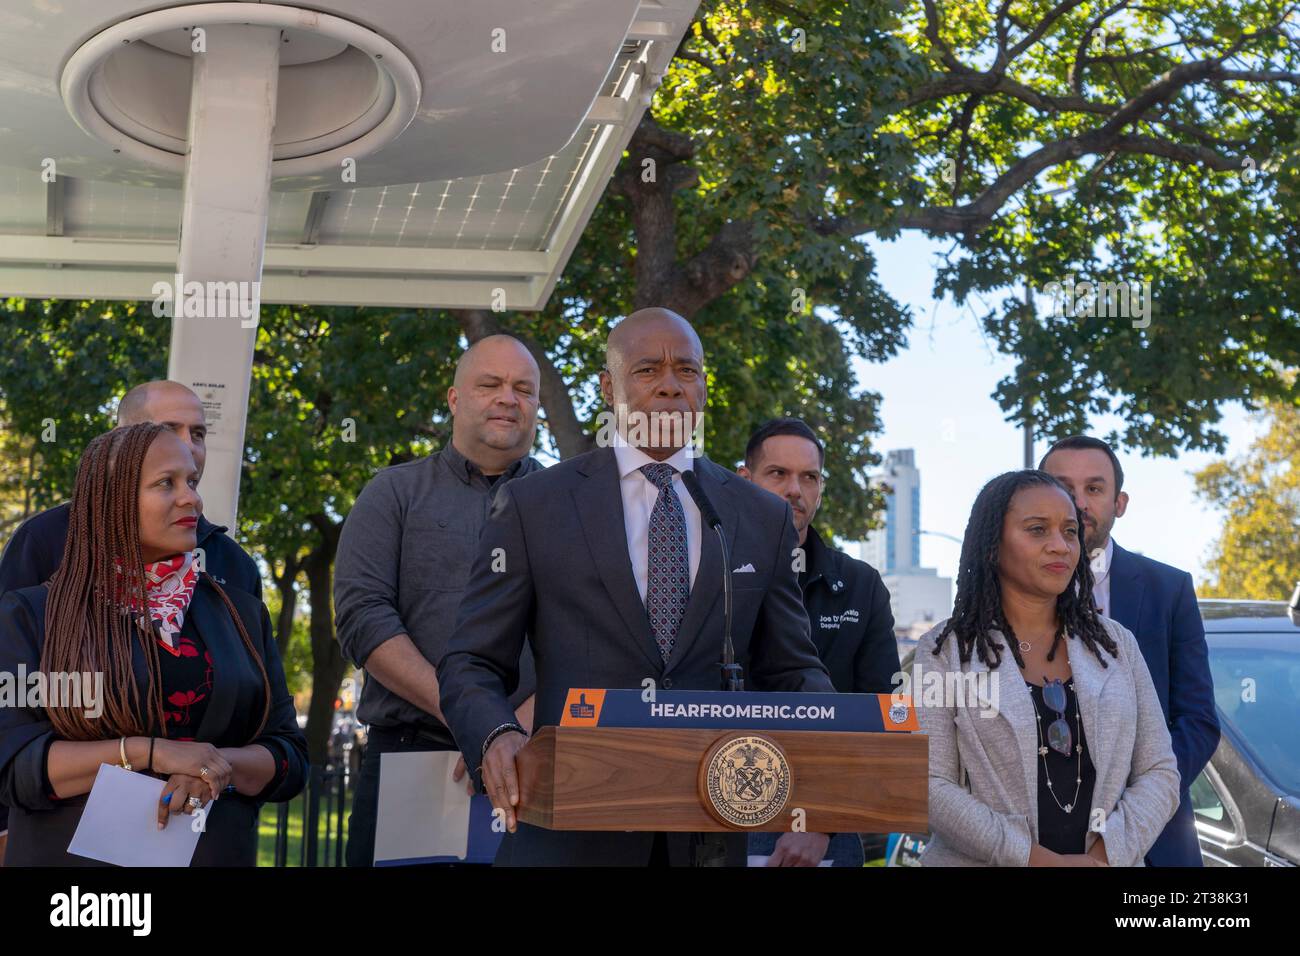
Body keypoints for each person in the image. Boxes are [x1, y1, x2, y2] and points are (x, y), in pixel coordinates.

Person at [438, 307, 835, 867]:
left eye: (686, 371)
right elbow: (472, 661)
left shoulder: (758, 516)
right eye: (648, 370)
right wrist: (496, 733)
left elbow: (793, 669)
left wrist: (837, 750)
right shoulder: (535, 505)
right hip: (568, 833)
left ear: (703, 387)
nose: (671, 386)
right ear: (609, 388)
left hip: (706, 837)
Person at [0, 423, 307, 865]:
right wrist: (150, 752)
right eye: (166, 483)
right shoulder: (33, 616)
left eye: (192, 482)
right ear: (111, 500)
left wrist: (213, 766)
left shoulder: (241, 614)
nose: (191, 499)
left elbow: (290, 755)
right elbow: (13, 764)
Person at [334, 334, 542, 867]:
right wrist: (475, 720)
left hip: (536, 759)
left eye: (523, 389)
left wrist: (512, 732)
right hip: (411, 755)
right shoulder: (392, 493)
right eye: (490, 384)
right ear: (454, 398)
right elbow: (362, 617)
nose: (508, 398)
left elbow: (594, 632)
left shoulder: (570, 504)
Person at [915, 469, 1179, 866]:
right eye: (1037, 530)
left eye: (1070, 531)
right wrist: (1035, 860)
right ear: (992, 546)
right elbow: (929, 784)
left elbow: (1160, 772)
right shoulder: (944, 652)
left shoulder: (1116, 644)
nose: (1060, 545)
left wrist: (1104, 857)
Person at [1039, 435, 1219, 866]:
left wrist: (1138, 803)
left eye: (1094, 488)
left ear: (1119, 503)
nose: (1078, 502)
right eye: (1062, 487)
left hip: (1155, 842)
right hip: (1035, 841)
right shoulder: (1001, 597)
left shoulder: (1169, 589)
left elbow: (1197, 720)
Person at [738, 416, 899, 866]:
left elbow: (881, 716)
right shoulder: (708, 573)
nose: (795, 490)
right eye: (778, 473)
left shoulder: (860, 585)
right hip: (711, 813)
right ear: (744, 481)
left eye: (809, 477)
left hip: (826, 832)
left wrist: (822, 820)